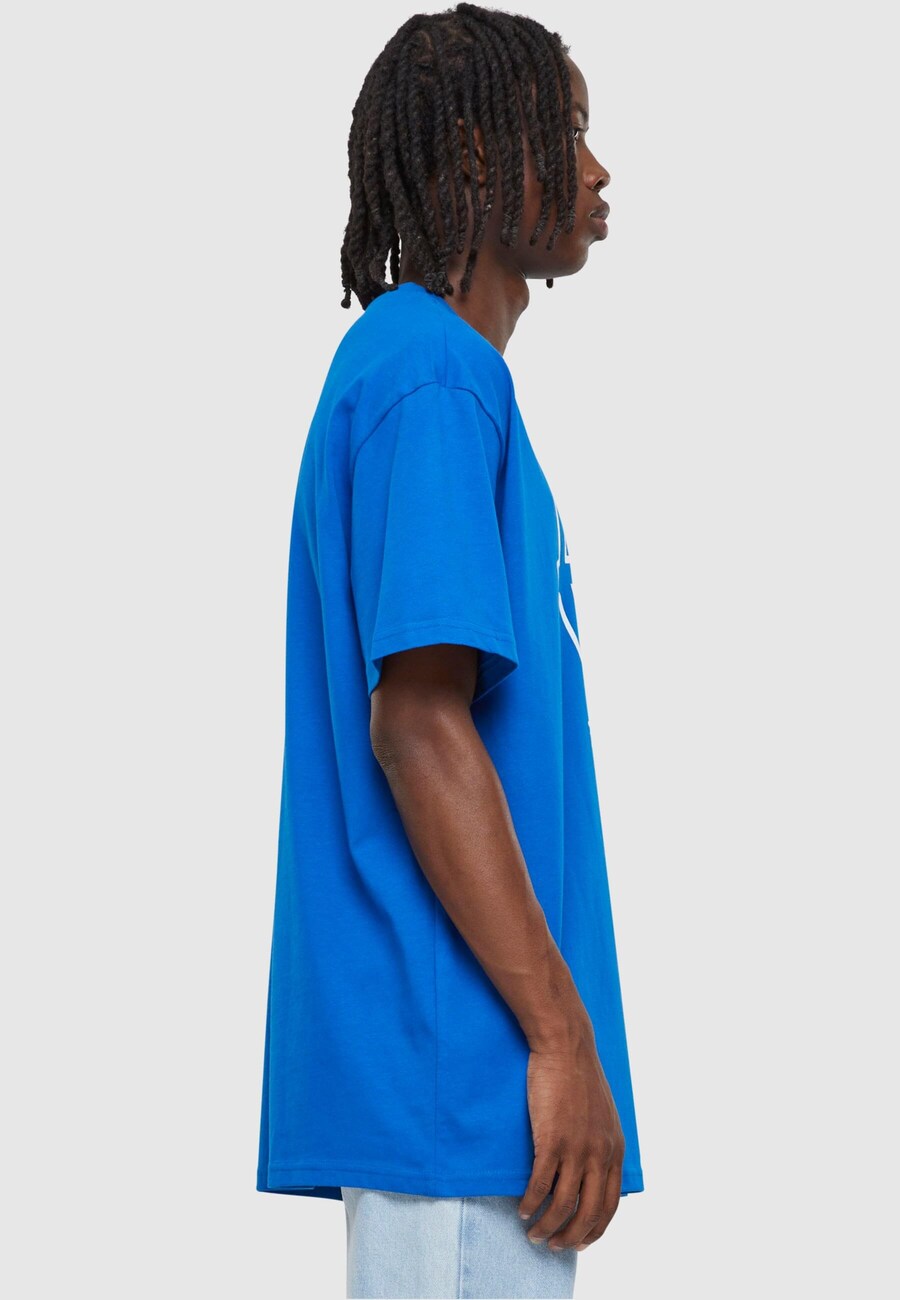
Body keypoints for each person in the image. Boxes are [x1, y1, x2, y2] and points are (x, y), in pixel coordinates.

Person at [256, 5, 644, 1296]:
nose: (598, 169)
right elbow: (419, 724)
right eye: (569, 130)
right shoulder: (432, 374)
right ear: (478, 150)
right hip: (463, 1075)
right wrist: (562, 1039)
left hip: (461, 1082)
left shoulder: (431, 375)